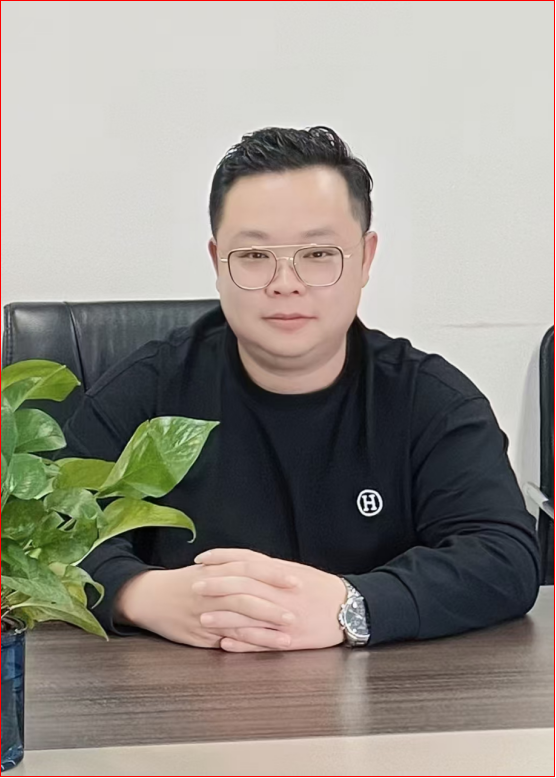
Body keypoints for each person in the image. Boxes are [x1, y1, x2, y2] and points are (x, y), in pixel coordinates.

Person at [62, 126, 540, 653]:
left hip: (382, 695)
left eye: (317, 254)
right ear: (217, 262)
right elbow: (44, 532)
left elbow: (506, 556)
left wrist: (352, 605)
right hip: (179, 690)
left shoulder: (428, 400)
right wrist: (137, 593)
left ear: (365, 259)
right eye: (254, 256)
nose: (285, 282)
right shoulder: (149, 388)